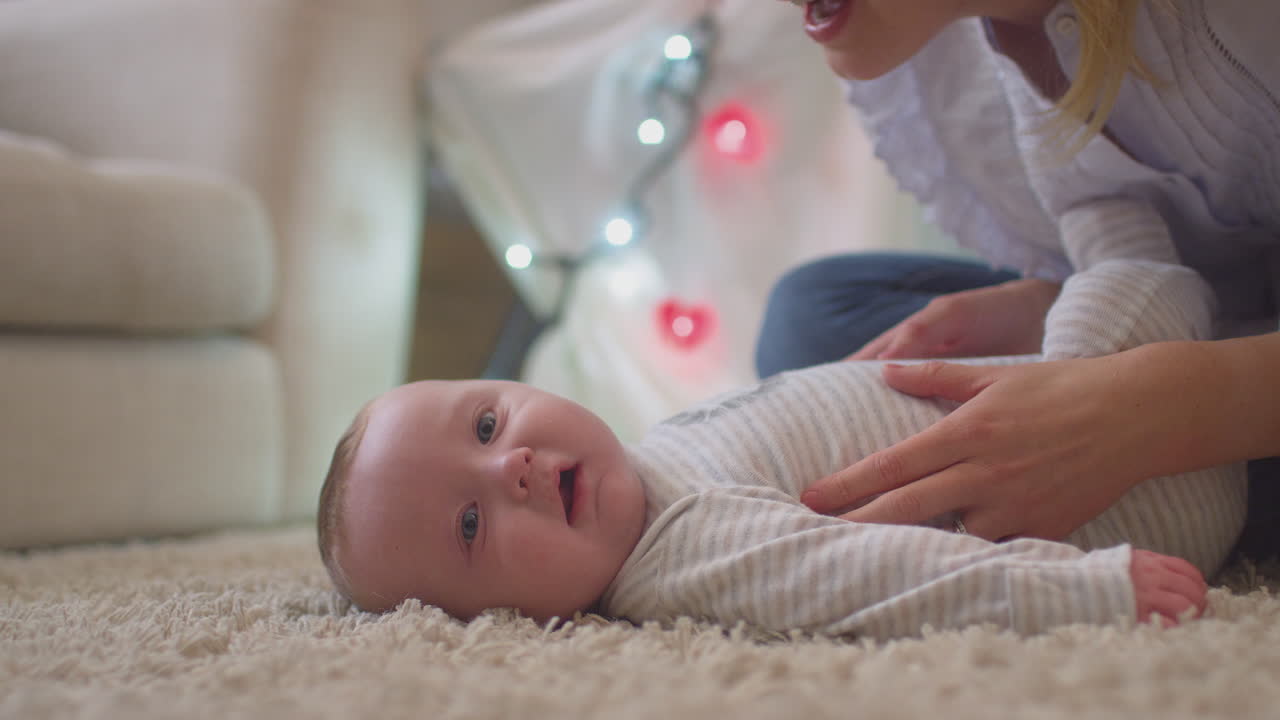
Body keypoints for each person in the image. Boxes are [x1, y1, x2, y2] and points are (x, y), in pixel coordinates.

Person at [316, 255, 1243, 641]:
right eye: (470, 523)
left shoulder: (647, 458)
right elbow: (881, 580)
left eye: (485, 424)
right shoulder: (692, 556)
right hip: (1141, 479)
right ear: (501, 623)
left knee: (807, 304)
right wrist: (1087, 586)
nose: (508, 465)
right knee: (1136, 277)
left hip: (1061, 395)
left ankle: (1114, 295)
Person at [757, 0, 1280, 551]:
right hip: (1219, 310)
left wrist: (1155, 410)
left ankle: (1181, 491)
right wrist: (1049, 308)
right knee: (811, 316)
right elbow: (1134, 250)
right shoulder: (981, 50)